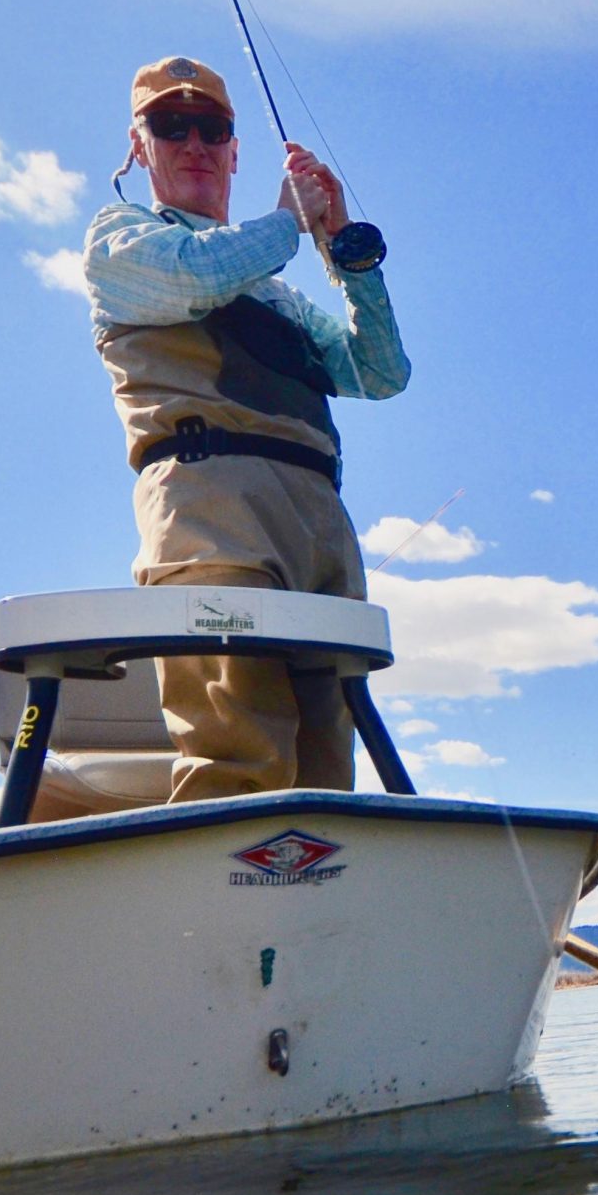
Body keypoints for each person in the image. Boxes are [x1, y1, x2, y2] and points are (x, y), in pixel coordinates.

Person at [76, 53, 410, 809]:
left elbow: (379, 372)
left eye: (211, 128)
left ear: (233, 151)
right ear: (139, 147)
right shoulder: (119, 236)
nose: (193, 143)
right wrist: (289, 222)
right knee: (235, 745)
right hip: (208, 503)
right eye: (170, 126)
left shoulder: (276, 289)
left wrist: (347, 250)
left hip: (320, 517)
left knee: (327, 757)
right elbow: (191, 276)